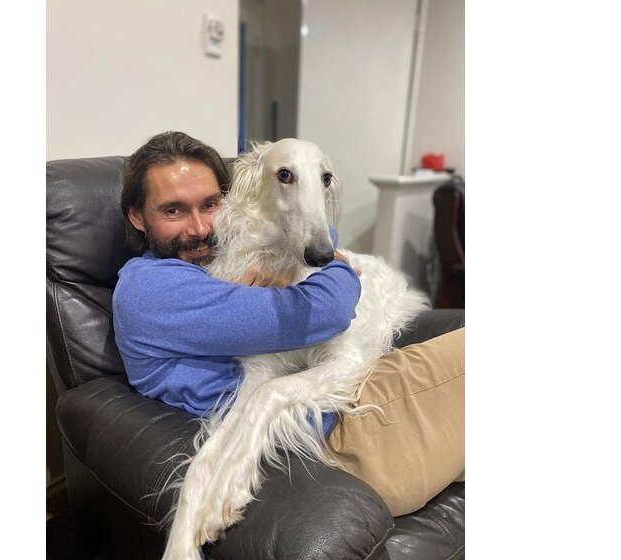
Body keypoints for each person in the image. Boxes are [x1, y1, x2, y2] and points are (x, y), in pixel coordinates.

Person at [113, 131, 464, 516]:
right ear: (137, 216)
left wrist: (310, 250)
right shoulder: (149, 289)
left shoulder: (219, 261)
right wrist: (337, 263)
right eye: (173, 211)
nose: (199, 228)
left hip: (330, 393)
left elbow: (313, 240)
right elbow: (327, 310)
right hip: (353, 428)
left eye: (210, 204)